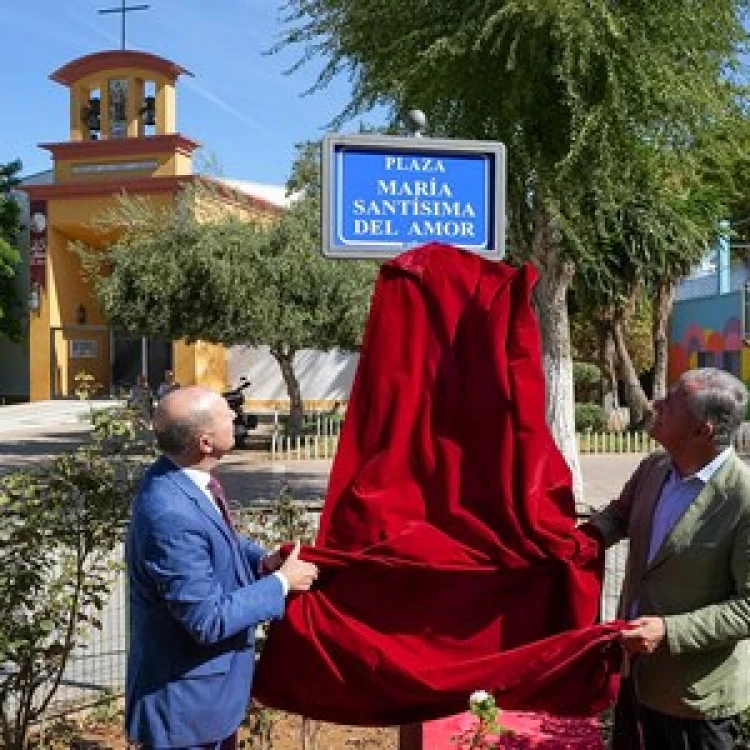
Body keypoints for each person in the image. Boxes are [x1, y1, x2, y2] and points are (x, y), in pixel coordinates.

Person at [125, 386, 319, 749]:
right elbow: (207, 619)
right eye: (225, 415)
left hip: (208, 702)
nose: (235, 417)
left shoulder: (186, 481)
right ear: (205, 442)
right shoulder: (170, 511)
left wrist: (261, 561)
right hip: (184, 712)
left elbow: (219, 542)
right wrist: (280, 583)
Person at [587, 368, 750, 749]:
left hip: (695, 702)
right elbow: (617, 517)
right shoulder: (655, 468)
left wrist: (668, 631)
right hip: (636, 682)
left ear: (703, 431)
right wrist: (571, 544)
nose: (657, 403)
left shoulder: (742, 499)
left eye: (672, 402)